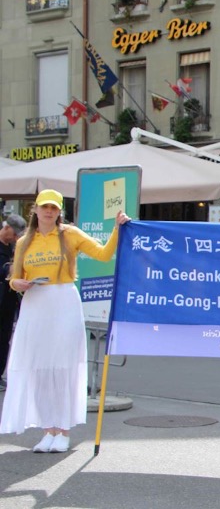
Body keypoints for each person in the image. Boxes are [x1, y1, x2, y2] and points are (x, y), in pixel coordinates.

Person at [0, 189, 131, 453]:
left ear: (60, 211)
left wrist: (117, 229)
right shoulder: (25, 241)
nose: (49, 212)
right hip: (34, 304)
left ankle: (63, 430)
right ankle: (48, 429)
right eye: (45, 207)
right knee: (39, 368)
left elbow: (103, 254)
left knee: (63, 365)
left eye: (54, 208)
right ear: (35, 209)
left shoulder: (70, 234)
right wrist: (19, 283)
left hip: (63, 302)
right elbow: (13, 277)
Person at [0, 214, 27, 392]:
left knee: (4, 339)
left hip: (8, 302)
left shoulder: (11, 247)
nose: (16, 238)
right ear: (7, 228)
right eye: (15, 234)